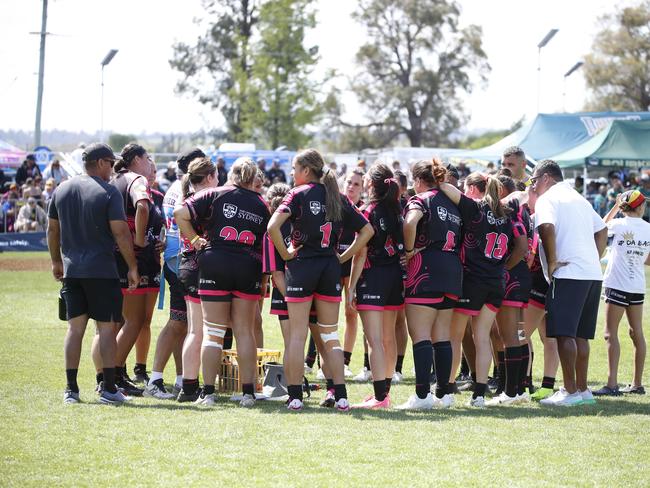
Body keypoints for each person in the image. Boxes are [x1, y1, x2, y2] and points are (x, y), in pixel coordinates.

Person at [267, 148, 374, 411]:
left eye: (294, 168)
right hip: (329, 268)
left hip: (302, 266)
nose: (292, 173)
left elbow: (272, 228)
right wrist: (342, 257)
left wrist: (287, 254)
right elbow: (367, 231)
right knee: (329, 335)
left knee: (297, 336)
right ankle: (341, 395)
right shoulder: (336, 196)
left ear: (306, 171)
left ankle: (294, 397)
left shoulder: (298, 194)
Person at [47, 142, 138, 405]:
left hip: (72, 271)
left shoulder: (61, 189)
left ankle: (71, 389)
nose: (112, 168)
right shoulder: (109, 192)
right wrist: (132, 266)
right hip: (102, 271)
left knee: (74, 330)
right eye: (111, 163)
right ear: (100, 163)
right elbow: (121, 233)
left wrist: (56, 261)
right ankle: (109, 388)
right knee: (106, 329)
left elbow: (53, 231)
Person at [175, 157, 270, 407]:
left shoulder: (214, 194)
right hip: (248, 266)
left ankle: (208, 393)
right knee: (244, 332)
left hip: (215, 263)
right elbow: (267, 241)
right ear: (253, 178)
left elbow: (179, 213)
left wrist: (195, 240)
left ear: (232, 174)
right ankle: (248, 392)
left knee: (213, 332)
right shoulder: (262, 204)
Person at [442, 172, 528, 407]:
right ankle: (479, 394)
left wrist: (438, 178)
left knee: (455, 336)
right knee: (482, 338)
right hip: (497, 282)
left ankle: (446, 391)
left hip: (473, 280)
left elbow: (448, 189)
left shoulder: (476, 209)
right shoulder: (507, 213)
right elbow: (523, 195)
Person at [531, 160, 608, 407]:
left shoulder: (548, 199)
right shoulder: (579, 199)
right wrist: (593, 258)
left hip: (568, 273)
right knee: (581, 336)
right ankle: (583, 391)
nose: (533, 186)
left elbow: (545, 225)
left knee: (565, 334)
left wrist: (552, 261)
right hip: (592, 274)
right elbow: (602, 229)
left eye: (534, 180)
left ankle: (570, 390)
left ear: (545, 178)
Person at [395, 159, 463, 410]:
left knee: (421, 335)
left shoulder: (421, 199)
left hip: (425, 270)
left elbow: (410, 223)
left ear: (418, 181)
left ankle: (422, 396)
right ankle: (443, 394)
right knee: (442, 336)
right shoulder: (453, 204)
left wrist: (410, 250)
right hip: (452, 270)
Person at [145, 148, 206, 399]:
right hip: (181, 259)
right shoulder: (186, 189)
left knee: (184, 323)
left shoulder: (175, 187)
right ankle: (156, 379)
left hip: (175, 258)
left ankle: (183, 379)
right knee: (179, 322)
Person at [348, 163, 404, 409]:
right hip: (395, 277)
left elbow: (360, 254)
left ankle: (380, 397)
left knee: (374, 340)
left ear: (371, 184)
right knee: (388, 339)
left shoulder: (369, 211)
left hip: (373, 277)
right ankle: (385, 394)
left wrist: (350, 287)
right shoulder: (397, 209)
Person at [109, 143, 161, 396]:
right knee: (134, 320)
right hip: (131, 257)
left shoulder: (116, 179)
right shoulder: (135, 178)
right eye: (147, 157)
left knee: (120, 321)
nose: (150, 163)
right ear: (137, 159)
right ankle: (113, 376)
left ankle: (113, 375)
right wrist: (140, 239)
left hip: (113, 256)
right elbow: (142, 205)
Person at [593, 190, 650, 396]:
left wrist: (615, 207)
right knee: (637, 334)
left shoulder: (618, 224)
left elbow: (598, 226)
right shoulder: (648, 228)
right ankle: (637, 384)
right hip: (637, 286)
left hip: (617, 284)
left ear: (624, 206)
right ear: (641, 207)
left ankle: (611, 384)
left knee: (610, 334)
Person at [339, 168, 365, 379]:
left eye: (356, 184)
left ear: (363, 188)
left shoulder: (363, 211)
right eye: (349, 182)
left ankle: (345, 361)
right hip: (332, 263)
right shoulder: (334, 205)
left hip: (352, 265)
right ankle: (320, 362)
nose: (351, 187)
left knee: (350, 312)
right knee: (322, 313)